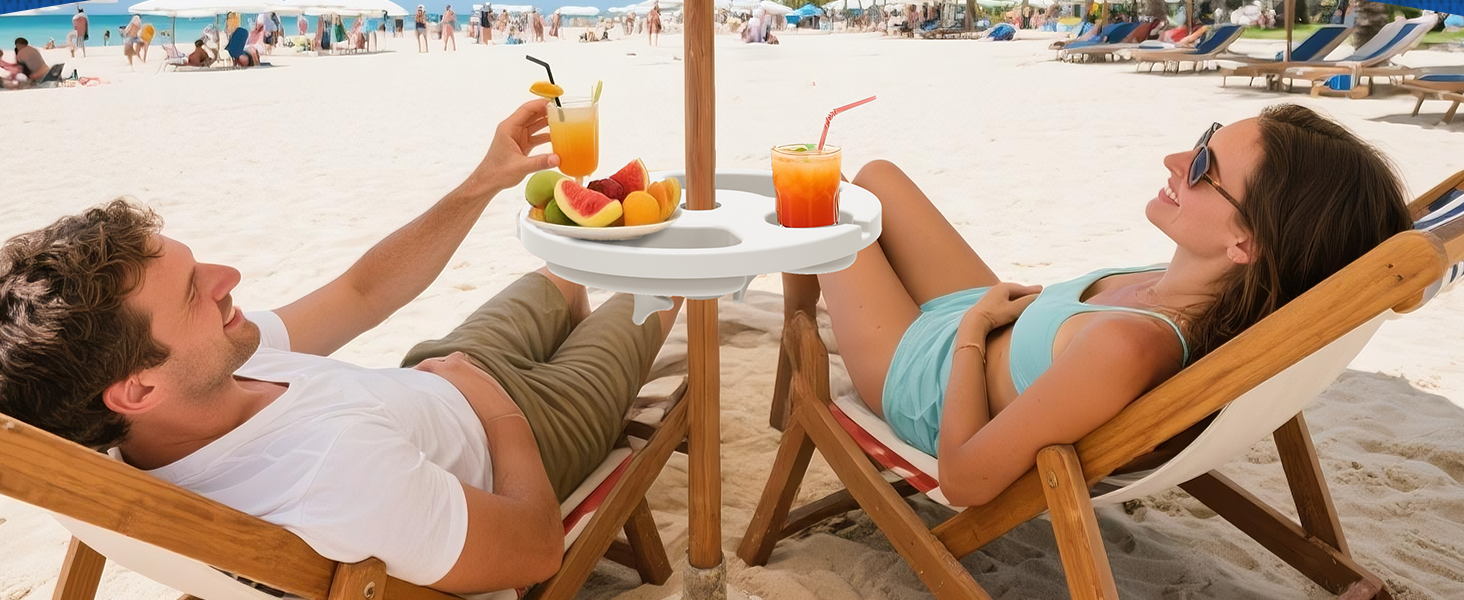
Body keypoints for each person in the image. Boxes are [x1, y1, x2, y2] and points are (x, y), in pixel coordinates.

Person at [0, 100, 684, 593]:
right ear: (139, 388)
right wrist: (498, 409)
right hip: (529, 425)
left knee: (564, 273)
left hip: (437, 369)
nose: (228, 279)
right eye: (191, 291)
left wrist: (483, 180)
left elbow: (360, 294)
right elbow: (535, 551)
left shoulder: (195, 376)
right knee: (657, 269)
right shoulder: (330, 481)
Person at [778, 105, 1411, 507]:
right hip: (982, 316)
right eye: (1203, 138)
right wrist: (987, 317)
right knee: (877, 176)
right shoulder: (1203, 288)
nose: (1172, 161)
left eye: (1201, 166)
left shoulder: (1129, 347)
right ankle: (793, 374)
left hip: (922, 374)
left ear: (1244, 241)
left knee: (821, 205)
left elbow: (966, 479)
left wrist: (973, 332)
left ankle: (795, 377)